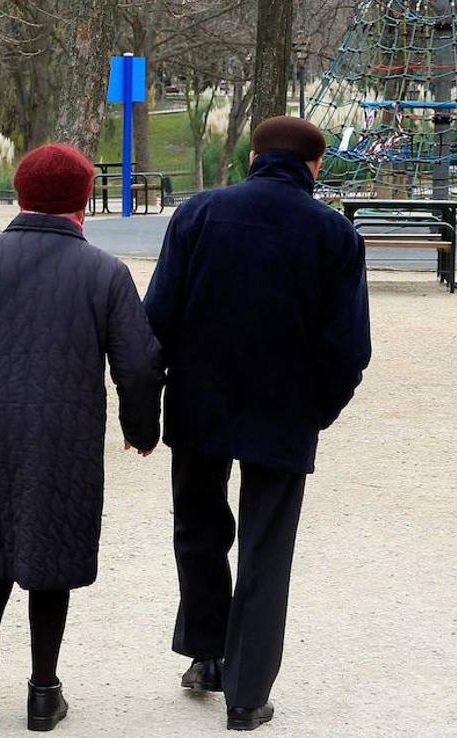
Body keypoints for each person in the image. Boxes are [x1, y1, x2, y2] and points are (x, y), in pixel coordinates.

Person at [0, 143, 163, 732]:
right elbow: (140, 365)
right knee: (52, 549)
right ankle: (44, 691)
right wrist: (141, 430)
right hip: (62, 431)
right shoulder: (105, 273)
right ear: (84, 202)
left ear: (19, 194)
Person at [143, 116, 372, 731]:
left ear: (253, 157)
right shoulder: (334, 235)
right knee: (267, 548)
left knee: (197, 527)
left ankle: (204, 654)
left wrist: (152, 399)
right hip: (284, 410)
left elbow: (157, 316)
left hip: (199, 403)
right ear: (314, 165)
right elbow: (349, 349)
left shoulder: (197, 214)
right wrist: (316, 409)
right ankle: (247, 694)